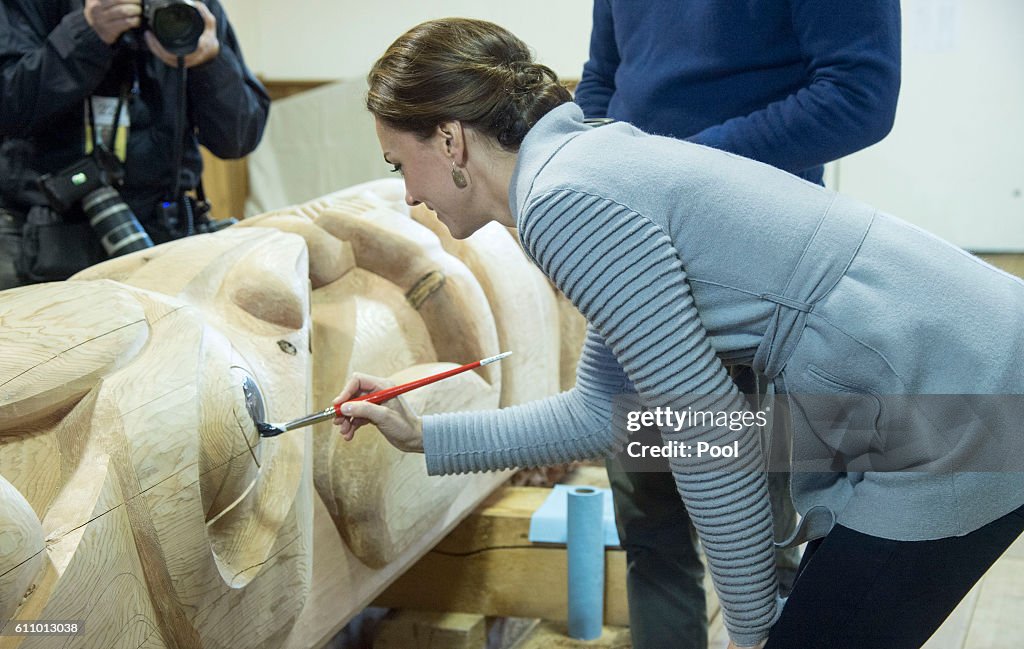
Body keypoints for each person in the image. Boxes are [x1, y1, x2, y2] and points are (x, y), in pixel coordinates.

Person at [334, 18, 1024, 649]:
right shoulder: (587, 160)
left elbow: (706, 433)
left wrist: (749, 632)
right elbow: (606, 416)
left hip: (960, 397)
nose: (408, 195)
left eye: (400, 163)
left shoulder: (561, 202)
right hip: (948, 370)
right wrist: (425, 431)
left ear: (451, 140)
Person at [572, 3, 902, 646]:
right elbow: (601, 80)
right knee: (650, 525)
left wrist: (681, 171)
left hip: (749, 270)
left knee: (760, 539)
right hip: (634, 254)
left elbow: (858, 95)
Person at [0, 0, 269, 288]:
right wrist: (87, 35)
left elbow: (239, 138)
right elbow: (8, 105)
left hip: (163, 242)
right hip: (40, 242)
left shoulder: (194, 7)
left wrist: (210, 62)